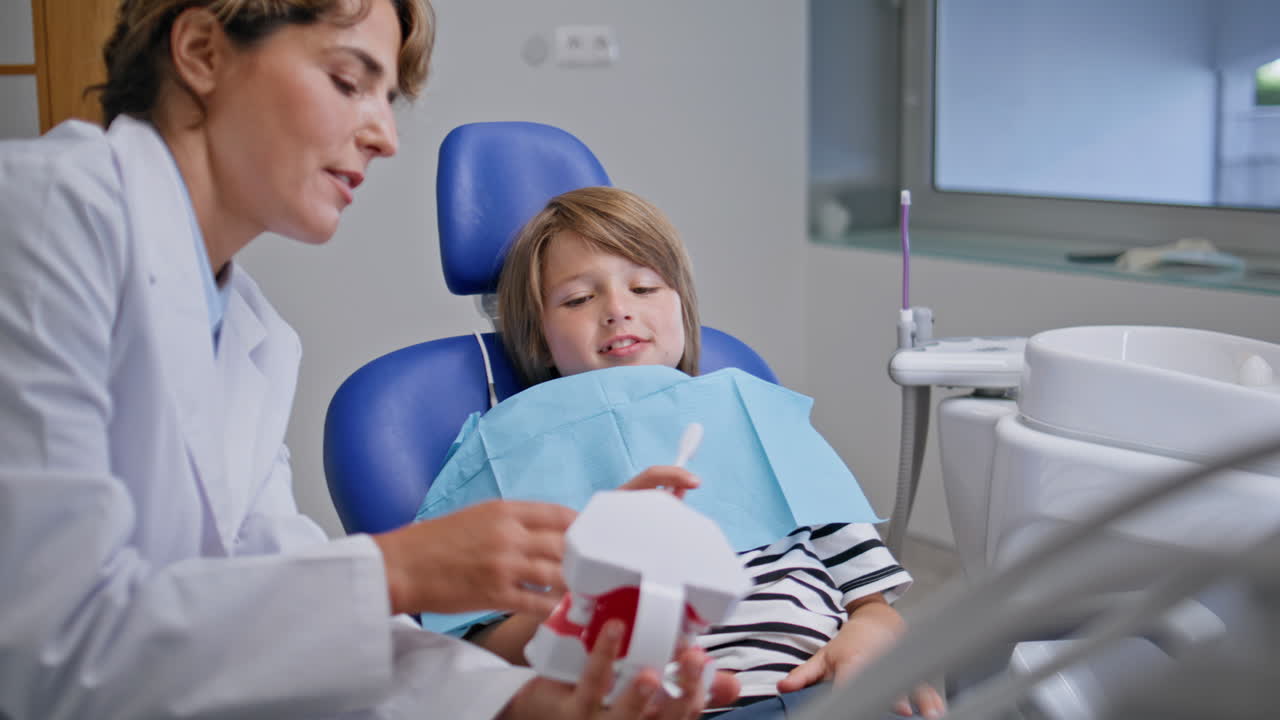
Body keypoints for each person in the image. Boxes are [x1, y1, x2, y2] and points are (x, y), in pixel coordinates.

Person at [0, 1, 732, 718]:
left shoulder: (254, 334)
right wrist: (401, 568)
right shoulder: (43, 216)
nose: (385, 136)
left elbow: (275, 612)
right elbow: (47, 652)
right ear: (202, 51)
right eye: (349, 83)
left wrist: (520, 703)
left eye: (389, 99)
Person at [415, 187, 948, 719]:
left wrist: (870, 636)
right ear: (538, 337)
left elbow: (871, 600)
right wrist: (583, 594)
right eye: (578, 299)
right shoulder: (500, 446)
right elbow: (470, 660)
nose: (618, 310)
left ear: (683, 305)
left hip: (826, 690)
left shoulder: (749, 409)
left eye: (645, 286)